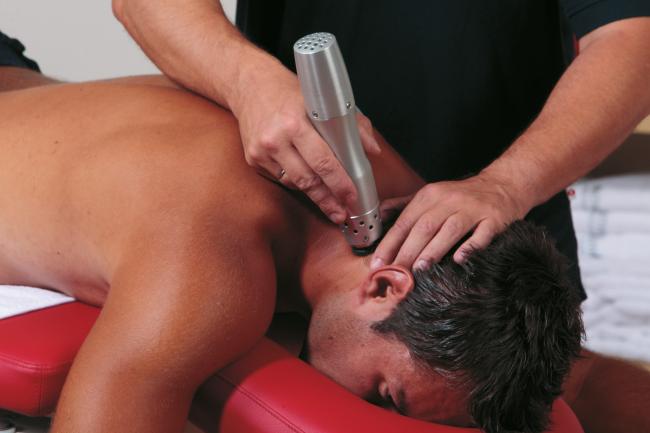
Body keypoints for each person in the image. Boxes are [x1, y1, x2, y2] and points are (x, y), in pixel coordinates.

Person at [0, 57, 648, 433]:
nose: (371, 409)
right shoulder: (211, 264)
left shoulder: (391, 187)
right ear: (384, 285)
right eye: (385, 395)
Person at [112, 0, 650, 294]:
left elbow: (632, 38)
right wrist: (247, 82)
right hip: (292, 223)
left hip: (499, 238)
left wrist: (508, 184)